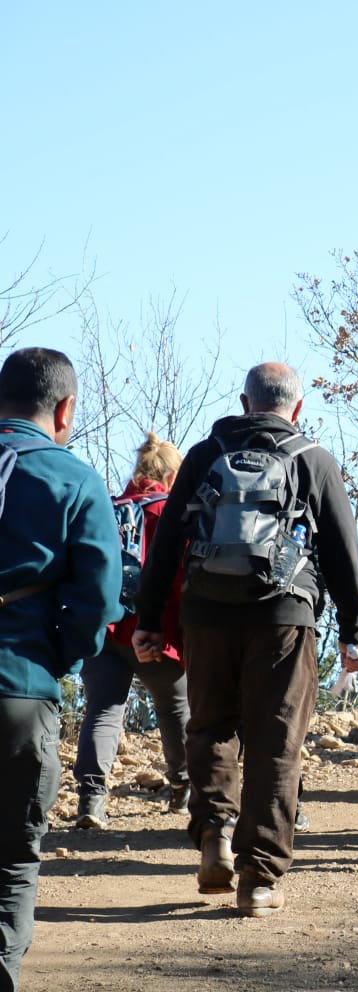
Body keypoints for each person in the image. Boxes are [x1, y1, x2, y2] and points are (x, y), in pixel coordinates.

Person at [134, 363, 358, 918]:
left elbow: (167, 542)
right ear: (298, 407)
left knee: (211, 724)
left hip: (206, 613)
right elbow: (341, 551)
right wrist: (354, 630)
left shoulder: (203, 453)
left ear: (244, 402)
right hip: (284, 617)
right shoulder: (314, 459)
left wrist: (149, 619)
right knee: (276, 741)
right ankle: (259, 877)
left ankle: (214, 836)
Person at [0, 348, 122, 988]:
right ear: (66, 409)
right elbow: (100, 599)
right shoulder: (72, 478)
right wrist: (64, 656)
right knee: (12, 862)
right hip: (17, 684)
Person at [74, 433, 191, 829]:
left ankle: (91, 799)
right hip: (155, 630)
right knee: (175, 709)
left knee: (103, 708)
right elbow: (180, 578)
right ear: (173, 476)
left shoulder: (107, 509)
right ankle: (182, 789)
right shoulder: (170, 513)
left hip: (105, 630)